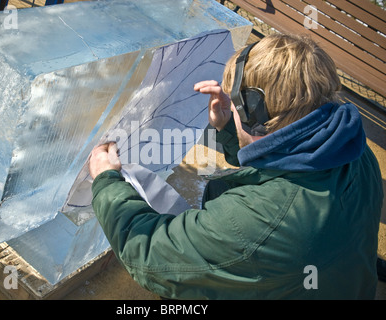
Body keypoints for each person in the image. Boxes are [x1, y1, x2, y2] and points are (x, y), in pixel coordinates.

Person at [88, 34, 384, 299]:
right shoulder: (350, 149)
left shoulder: (253, 223)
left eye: (236, 100)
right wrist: (232, 127)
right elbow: (279, 162)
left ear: (255, 113)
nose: (229, 103)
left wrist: (107, 180)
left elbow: (151, 254)